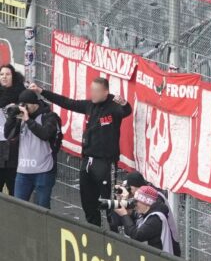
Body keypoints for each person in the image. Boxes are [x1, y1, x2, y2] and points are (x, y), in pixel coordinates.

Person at [34, 75, 131, 227]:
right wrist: (42, 91)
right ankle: (94, 233)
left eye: (96, 91)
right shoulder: (89, 105)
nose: (93, 93)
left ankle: (114, 236)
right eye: (91, 90)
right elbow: (67, 102)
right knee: (88, 202)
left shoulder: (113, 106)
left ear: (106, 92)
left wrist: (125, 104)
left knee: (110, 204)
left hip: (105, 163)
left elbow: (126, 111)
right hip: (87, 162)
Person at [8, 89, 60, 208]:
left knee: (42, 210)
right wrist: (12, 118)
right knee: (18, 208)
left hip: (44, 171)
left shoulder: (49, 116)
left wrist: (28, 120)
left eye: (25, 105)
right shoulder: (21, 117)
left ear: (34, 103)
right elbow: (8, 135)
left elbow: (45, 134)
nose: (24, 108)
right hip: (23, 171)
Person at [110, 185, 180, 255]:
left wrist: (124, 215)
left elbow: (136, 235)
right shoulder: (146, 213)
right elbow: (118, 223)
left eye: (137, 201)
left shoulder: (156, 218)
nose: (135, 204)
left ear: (146, 203)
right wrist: (126, 212)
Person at [0, 63, 21, 195]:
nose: (4, 77)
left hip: (14, 143)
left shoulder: (21, 93)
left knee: (14, 186)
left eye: (8, 74)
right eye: (1, 74)